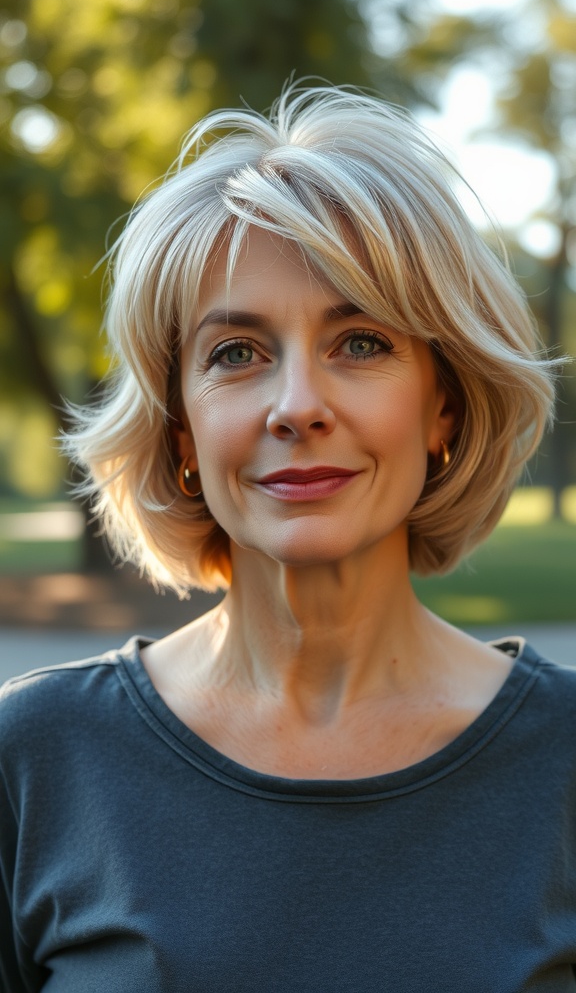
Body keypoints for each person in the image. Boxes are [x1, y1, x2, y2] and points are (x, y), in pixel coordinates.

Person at [0, 83, 572, 992]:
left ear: (444, 408)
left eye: (361, 342)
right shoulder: (33, 757)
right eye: (236, 354)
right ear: (181, 431)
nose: (298, 405)